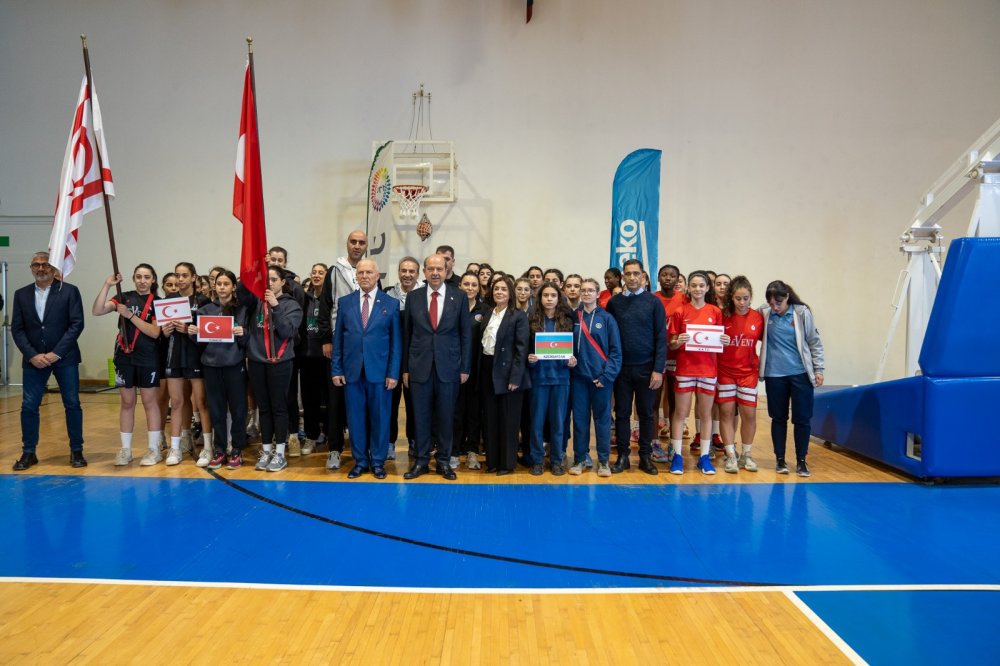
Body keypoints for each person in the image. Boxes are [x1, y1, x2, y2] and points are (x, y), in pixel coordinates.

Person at [11, 252, 86, 470]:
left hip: (65, 358)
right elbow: (17, 329)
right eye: (36, 265)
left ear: (53, 269)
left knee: (72, 403)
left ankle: (76, 450)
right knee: (29, 406)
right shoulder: (21, 294)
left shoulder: (69, 291)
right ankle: (29, 452)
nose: (41, 269)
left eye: (45, 265)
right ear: (31, 268)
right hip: (34, 360)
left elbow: (77, 324)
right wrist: (32, 355)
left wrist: (57, 353)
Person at [401, 254, 472, 480]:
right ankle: (421, 461)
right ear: (424, 271)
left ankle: (443, 462)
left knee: (446, 416)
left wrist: (465, 368)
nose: (435, 273)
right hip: (419, 367)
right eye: (430, 269)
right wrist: (405, 368)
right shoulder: (413, 297)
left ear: (446, 271)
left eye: (439, 269)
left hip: (449, 368)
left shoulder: (459, 297)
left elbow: (465, 335)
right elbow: (407, 335)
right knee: (420, 417)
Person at [331, 259, 402, 479]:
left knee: (380, 418)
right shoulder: (345, 302)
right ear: (356, 276)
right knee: (355, 419)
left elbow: (396, 343)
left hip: (380, 373)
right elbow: (338, 340)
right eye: (360, 272)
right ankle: (360, 461)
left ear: (377, 275)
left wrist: (393, 373)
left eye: (369, 272)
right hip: (352, 372)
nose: (364, 276)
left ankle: (378, 462)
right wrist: (336, 369)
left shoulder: (391, 303)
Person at [91, 265, 163, 466]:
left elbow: (155, 332)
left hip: (147, 357)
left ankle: (154, 449)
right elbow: (97, 310)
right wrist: (107, 285)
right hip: (124, 356)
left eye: (147, 277)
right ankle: (125, 450)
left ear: (153, 279)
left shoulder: (158, 302)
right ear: (133, 278)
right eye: (139, 277)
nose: (142, 281)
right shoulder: (124, 297)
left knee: (149, 402)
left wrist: (130, 316)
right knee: (127, 402)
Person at [238, 266, 304, 473]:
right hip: (257, 361)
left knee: (279, 407)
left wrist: (275, 306)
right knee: (264, 408)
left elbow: (287, 331)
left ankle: (280, 453)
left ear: (283, 282)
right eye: (267, 280)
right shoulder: (256, 301)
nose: (270, 283)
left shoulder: (291, 305)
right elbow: (241, 292)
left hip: (280, 362)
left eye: (274, 279)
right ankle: (266, 450)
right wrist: (253, 268)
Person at [605, 259, 666, 475]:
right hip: (621, 369)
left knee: (646, 414)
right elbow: (609, 337)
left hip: (647, 369)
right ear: (623, 276)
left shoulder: (654, 302)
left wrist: (658, 369)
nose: (632, 277)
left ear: (643, 276)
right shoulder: (614, 303)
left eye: (636, 273)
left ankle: (645, 457)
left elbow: (661, 337)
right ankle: (623, 456)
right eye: (628, 274)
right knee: (621, 413)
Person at [759, 280, 825, 477]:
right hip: (774, 375)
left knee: (802, 418)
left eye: (778, 303)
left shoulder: (801, 313)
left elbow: (814, 342)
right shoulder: (764, 312)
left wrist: (819, 369)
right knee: (778, 417)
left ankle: (801, 460)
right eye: (771, 303)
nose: (775, 307)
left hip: (800, 374)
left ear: (787, 297)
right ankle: (780, 459)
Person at [187, 269, 249, 469]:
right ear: (214, 286)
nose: (222, 287)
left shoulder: (241, 310)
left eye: (226, 284)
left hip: (234, 365)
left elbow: (248, 340)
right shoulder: (205, 310)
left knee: (238, 410)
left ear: (233, 287)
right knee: (216, 409)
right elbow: (199, 342)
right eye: (219, 284)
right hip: (211, 366)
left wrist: (243, 333)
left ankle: (237, 450)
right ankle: (220, 450)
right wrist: (193, 333)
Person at [668, 271, 727, 475]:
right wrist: (678, 341)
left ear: (707, 288)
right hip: (685, 368)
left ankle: (704, 457)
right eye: (693, 285)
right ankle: (677, 456)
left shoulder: (715, 311)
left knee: (705, 414)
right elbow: (672, 343)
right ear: (688, 288)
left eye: (701, 285)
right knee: (680, 413)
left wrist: (724, 341)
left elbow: (719, 340)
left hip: (708, 370)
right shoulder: (680, 311)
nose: (697, 289)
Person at [322, 230, 368, 469]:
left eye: (361, 242)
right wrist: (327, 340)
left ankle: (365, 448)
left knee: (362, 398)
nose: (357, 246)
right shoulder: (334, 271)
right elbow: (325, 307)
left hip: (364, 347)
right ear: (347, 244)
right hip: (339, 344)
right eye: (353, 242)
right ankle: (334, 449)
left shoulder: (371, 271)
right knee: (336, 400)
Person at [569, 278, 622, 477]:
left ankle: (604, 461)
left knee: (602, 421)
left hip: (601, 380)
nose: (586, 293)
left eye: (590, 290)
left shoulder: (607, 319)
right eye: (583, 290)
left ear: (598, 294)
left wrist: (607, 376)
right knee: (580, 421)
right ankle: (580, 459)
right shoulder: (573, 317)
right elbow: (565, 345)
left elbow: (616, 352)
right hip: (578, 379)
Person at [162, 261, 213, 466]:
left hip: (196, 355)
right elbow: (162, 330)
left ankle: (208, 447)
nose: (180, 279)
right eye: (177, 275)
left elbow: (208, 331)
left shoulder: (203, 301)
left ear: (193, 277)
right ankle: (177, 446)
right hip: (175, 354)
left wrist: (190, 330)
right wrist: (165, 332)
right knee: (177, 402)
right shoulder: (169, 300)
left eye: (184, 275)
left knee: (201, 401)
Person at [479, 276, 530, 475]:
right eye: (496, 289)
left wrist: (515, 378)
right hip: (487, 369)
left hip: (509, 373)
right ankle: (492, 461)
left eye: (503, 289)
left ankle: (507, 464)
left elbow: (521, 349)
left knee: (508, 421)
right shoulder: (488, 313)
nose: (499, 292)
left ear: (510, 294)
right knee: (490, 419)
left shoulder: (518, 316)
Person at [526, 282, 576, 476]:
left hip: (561, 379)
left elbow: (572, 351)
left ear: (558, 298)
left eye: (553, 295)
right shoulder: (532, 320)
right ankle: (537, 460)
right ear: (540, 298)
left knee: (558, 423)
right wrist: (530, 360)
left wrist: (572, 360)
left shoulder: (567, 321)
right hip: (538, 379)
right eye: (545, 295)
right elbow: (526, 351)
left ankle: (556, 460)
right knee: (536, 423)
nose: (549, 299)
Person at [717, 275, 764, 473]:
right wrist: (719, 340)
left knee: (749, 415)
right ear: (731, 297)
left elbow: (769, 343)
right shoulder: (722, 316)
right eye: (738, 298)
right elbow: (710, 340)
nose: (742, 302)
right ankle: (730, 455)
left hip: (748, 373)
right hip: (725, 372)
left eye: (745, 298)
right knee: (726, 414)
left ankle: (747, 454)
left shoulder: (758, 318)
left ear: (751, 296)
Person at [386, 256, 423, 460]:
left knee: (415, 403)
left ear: (418, 273)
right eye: (403, 270)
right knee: (390, 403)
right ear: (398, 272)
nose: (407, 275)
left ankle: (414, 441)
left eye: (411, 271)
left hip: (416, 358)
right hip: (392, 358)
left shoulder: (425, 295)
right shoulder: (388, 294)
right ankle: (389, 442)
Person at [651, 263, 686, 461]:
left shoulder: (684, 299)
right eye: (664, 275)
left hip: (677, 355)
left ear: (677, 279)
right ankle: (654, 443)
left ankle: (674, 442)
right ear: (658, 278)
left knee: (675, 402)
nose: (667, 278)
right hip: (656, 355)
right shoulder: (652, 299)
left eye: (672, 275)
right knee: (654, 401)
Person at [454, 271, 487, 470]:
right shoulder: (451, 307)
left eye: (474, 284)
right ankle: (454, 450)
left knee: (474, 412)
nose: (470, 288)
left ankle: (472, 451)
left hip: (477, 368)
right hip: (454, 368)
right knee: (456, 411)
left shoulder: (486, 310)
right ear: (460, 286)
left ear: (479, 288)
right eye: (466, 284)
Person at [299, 263, 331, 456]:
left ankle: (328, 433)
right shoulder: (303, 299)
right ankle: (311, 436)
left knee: (329, 400)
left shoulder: (331, 299)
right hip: (307, 358)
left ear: (327, 276)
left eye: (321, 272)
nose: (317, 275)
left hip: (327, 358)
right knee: (309, 400)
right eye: (314, 272)